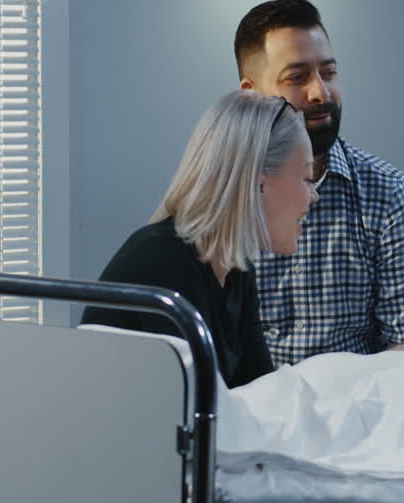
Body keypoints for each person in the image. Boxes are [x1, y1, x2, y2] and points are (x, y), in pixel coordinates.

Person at [234, 0, 404, 365]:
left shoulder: (386, 192)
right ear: (250, 94)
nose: (321, 92)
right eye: (297, 78)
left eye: (328, 72)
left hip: (359, 413)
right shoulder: (225, 199)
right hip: (251, 413)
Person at [81, 90, 317, 389]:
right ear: (258, 182)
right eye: (307, 178)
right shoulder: (161, 261)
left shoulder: (237, 271)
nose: (313, 196)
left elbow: (260, 396)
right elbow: (196, 414)